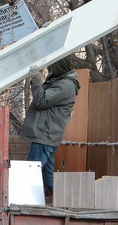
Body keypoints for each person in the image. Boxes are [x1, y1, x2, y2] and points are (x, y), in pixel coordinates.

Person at [20, 57, 81, 201]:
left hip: (45, 136)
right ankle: (67, 204)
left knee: (29, 174)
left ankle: (20, 204)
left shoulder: (65, 85)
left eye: (51, 67)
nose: (49, 70)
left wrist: (36, 80)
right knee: (49, 179)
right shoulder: (61, 81)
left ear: (58, 68)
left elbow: (41, 101)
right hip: (47, 136)